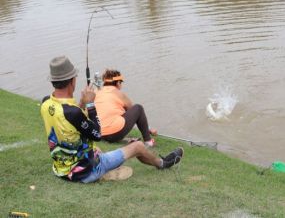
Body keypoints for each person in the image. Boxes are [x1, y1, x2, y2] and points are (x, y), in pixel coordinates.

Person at [40, 56, 183, 183]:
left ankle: (111, 164)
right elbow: (97, 134)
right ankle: (163, 163)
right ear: (72, 81)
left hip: (61, 170)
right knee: (138, 146)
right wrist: (90, 105)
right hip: (85, 172)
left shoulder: (46, 103)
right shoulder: (73, 112)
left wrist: (82, 104)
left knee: (98, 150)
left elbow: (69, 121)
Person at [94, 69, 156, 147]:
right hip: (114, 134)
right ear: (117, 83)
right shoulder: (119, 93)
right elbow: (135, 113)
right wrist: (149, 129)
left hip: (97, 134)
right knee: (138, 108)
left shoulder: (96, 91)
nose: (121, 85)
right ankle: (148, 141)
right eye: (121, 83)